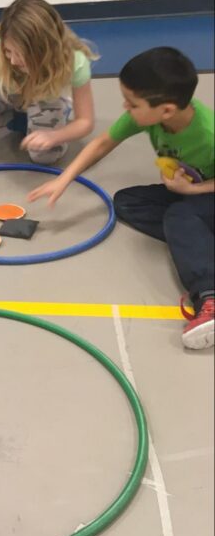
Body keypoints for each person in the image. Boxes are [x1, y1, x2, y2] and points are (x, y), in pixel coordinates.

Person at [28, 47, 214, 350]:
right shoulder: (149, 116)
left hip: (203, 193)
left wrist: (192, 191)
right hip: (191, 196)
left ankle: (209, 297)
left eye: (132, 103)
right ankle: (196, 237)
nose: (125, 107)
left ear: (167, 110)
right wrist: (63, 179)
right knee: (127, 201)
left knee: (179, 216)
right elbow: (103, 142)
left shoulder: (208, 133)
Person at [0, 0, 96, 194]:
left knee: (45, 156)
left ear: (44, 49)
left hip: (44, 97)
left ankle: (61, 107)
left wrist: (55, 135)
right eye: (9, 51)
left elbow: (85, 122)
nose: (13, 61)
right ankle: (17, 118)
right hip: (6, 91)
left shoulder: (74, 61)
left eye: (21, 54)